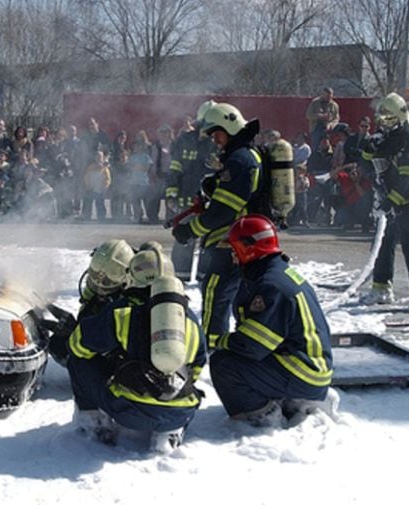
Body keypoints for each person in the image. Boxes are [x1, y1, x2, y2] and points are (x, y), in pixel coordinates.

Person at [66, 245, 206, 452]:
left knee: (79, 361)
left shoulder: (122, 311)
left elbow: (78, 346)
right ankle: (170, 432)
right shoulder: (189, 318)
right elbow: (198, 364)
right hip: (181, 411)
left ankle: (94, 425)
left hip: (130, 412)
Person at [210, 214, 335, 426]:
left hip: (303, 371)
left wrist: (217, 341)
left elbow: (252, 346)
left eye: (235, 249)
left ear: (250, 248)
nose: (232, 256)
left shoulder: (271, 287)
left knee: (224, 364)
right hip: (305, 365)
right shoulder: (273, 274)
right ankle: (286, 397)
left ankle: (262, 416)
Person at [171, 102, 263, 349]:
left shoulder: (240, 160)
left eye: (217, 134)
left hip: (231, 243)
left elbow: (222, 213)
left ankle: (211, 349)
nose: (215, 141)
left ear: (230, 126)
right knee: (233, 296)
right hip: (242, 243)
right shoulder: (241, 156)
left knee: (216, 294)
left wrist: (188, 230)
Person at [361, 92, 409, 308]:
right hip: (387, 201)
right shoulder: (389, 139)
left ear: (400, 116)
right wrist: (367, 151)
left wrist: (391, 201)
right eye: (381, 117)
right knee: (382, 247)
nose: (383, 122)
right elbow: (369, 168)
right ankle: (381, 290)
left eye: (388, 117)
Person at [165, 100, 219, 280]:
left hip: (212, 204)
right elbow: (174, 169)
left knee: (210, 242)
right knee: (183, 241)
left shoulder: (220, 143)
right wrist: (171, 194)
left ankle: (205, 278)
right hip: (187, 201)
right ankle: (180, 278)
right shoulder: (185, 140)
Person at [306, 87, 340, 153]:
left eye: (330, 96)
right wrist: (320, 116)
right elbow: (308, 115)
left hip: (328, 128)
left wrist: (331, 125)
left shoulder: (334, 105)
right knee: (315, 147)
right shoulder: (315, 102)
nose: (328, 98)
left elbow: (336, 118)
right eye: (326, 96)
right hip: (316, 127)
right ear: (323, 95)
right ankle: (315, 158)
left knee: (327, 147)